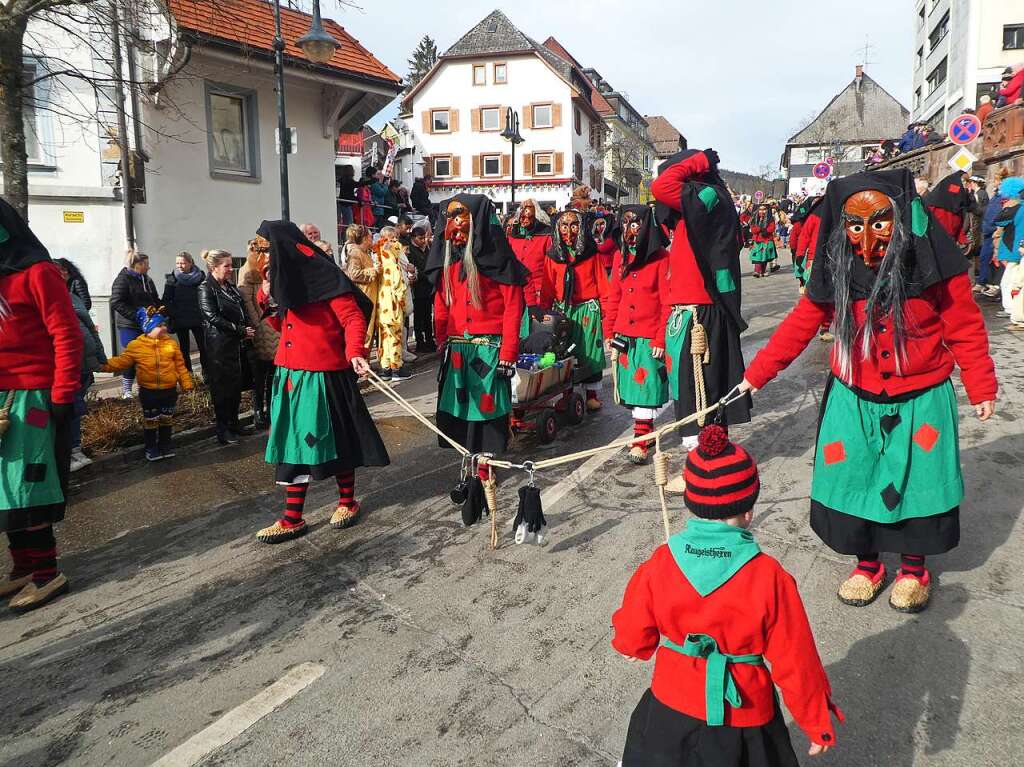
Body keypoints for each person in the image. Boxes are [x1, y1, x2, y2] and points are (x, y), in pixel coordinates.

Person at [741, 169, 997, 613]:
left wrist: (980, 384)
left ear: (899, 219)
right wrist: (755, 376)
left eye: (878, 223)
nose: (865, 238)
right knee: (854, 476)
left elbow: (964, 323)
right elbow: (801, 324)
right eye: (854, 225)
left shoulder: (931, 259)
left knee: (916, 480)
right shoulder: (837, 266)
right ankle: (868, 564)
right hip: (853, 395)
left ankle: (914, 568)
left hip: (921, 395)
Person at [613, 424, 842, 766]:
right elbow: (796, 660)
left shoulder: (662, 560)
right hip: (745, 714)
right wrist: (815, 721)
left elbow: (633, 625)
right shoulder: (770, 576)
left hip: (670, 707)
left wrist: (633, 644)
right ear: (749, 511)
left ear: (691, 505)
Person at [253, 221, 389, 543]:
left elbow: (353, 317)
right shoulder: (285, 280)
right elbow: (280, 323)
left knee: (337, 442)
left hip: (324, 375)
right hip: (291, 376)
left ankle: (347, 502)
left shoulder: (325, 275)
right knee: (292, 445)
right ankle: (292, 519)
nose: (259, 256)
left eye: (262, 249)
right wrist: (267, 295)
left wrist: (356, 351)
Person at [0, 198, 83, 612]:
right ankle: (21, 569)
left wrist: (62, 395)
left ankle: (47, 574)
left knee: (28, 486)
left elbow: (66, 335)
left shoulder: (39, 273)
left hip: (31, 395)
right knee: (3, 491)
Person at [650, 149, 752, 482]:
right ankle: (707, 463)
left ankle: (706, 468)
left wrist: (699, 161)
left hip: (702, 311)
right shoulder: (699, 203)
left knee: (702, 393)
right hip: (691, 310)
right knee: (692, 392)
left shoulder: (707, 195)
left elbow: (662, 187)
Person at [427, 195, 527, 521]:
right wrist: (441, 340)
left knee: (484, 418)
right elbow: (442, 304)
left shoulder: (499, 261)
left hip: (488, 350)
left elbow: (514, 308)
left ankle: (483, 473)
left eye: (462, 220)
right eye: (451, 221)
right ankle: (469, 470)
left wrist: (509, 353)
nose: (456, 230)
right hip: (457, 350)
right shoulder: (449, 264)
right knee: (462, 417)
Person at [602, 205, 670, 464]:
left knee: (645, 389)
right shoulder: (621, 256)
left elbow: (667, 302)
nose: (631, 230)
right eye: (627, 224)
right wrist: (609, 330)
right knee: (630, 391)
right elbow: (614, 296)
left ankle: (641, 439)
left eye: (636, 224)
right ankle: (645, 431)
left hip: (648, 336)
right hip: (624, 333)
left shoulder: (662, 258)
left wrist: (660, 338)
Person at [102, 307, 193, 461]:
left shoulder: (171, 344)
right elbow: (122, 361)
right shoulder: (136, 346)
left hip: (169, 391)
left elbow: (180, 365)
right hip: (149, 392)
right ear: (148, 328)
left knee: (166, 420)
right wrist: (102, 365)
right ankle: (151, 448)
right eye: (159, 326)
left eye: (164, 325)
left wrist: (186, 383)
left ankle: (165, 445)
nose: (164, 328)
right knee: (150, 421)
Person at [542, 209, 610, 411]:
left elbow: (602, 283)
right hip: (563, 309)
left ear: (580, 228)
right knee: (563, 351)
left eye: (574, 225)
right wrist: (544, 311)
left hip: (588, 308)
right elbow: (547, 285)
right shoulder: (553, 256)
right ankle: (567, 394)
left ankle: (591, 394)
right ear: (558, 228)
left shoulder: (591, 253)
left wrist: (606, 314)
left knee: (589, 351)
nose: (569, 230)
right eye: (564, 225)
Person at [198, 249, 254, 445]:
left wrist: (247, 326)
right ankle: (223, 429)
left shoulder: (228, 287)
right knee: (222, 390)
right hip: (219, 347)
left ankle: (234, 423)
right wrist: (239, 329)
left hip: (236, 344)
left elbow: (241, 307)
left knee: (235, 387)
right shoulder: (206, 288)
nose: (231, 269)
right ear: (214, 267)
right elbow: (211, 316)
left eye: (231, 265)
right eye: (227, 265)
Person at [238, 240, 280, 430]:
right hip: (262, 325)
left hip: (275, 324)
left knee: (272, 372)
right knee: (259, 375)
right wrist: (258, 324)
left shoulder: (270, 267)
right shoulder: (248, 272)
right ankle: (258, 411)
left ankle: (271, 409)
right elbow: (247, 301)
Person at [110, 250, 159, 399]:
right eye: (146, 264)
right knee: (132, 356)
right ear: (137, 265)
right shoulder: (122, 280)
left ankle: (147, 387)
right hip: (130, 325)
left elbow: (154, 299)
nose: (149, 267)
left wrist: (159, 312)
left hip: (148, 325)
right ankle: (127, 390)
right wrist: (137, 315)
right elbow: (116, 302)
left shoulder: (147, 280)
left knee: (149, 356)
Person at [67, 285, 105, 472]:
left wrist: (100, 355)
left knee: (75, 409)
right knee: (66, 409)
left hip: (82, 363)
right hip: (63, 367)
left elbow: (90, 328)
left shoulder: (72, 297)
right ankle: (66, 452)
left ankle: (75, 448)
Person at [162, 251, 207, 378]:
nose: (180, 266)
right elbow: (166, 299)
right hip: (180, 319)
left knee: (203, 347)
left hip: (198, 318)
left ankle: (206, 373)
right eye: (177, 263)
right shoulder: (172, 279)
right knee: (183, 349)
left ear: (190, 263)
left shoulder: (201, 277)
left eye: (182, 263)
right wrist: (173, 313)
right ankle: (188, 375)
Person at [374, 226, 410, 381]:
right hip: (392, 301)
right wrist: (402, 301)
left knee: (384, 336)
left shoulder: (377, 254)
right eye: (394, 237)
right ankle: (396, 368)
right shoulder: (393, 253)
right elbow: (398, 281)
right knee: (395, 333)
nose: (396, 240)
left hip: (381, 300)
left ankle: (386, 368)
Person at [506, 199, 553, 314]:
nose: (525, 221)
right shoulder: (512, 237)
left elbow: (550, 268)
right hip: (516, 291)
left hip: (538, 293)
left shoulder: (546, 237)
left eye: (529, 217)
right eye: (522, 218)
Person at [343, 224, 380, 349]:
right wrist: (373, 270)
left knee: (369, 331)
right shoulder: (355, 253)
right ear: (364, 239)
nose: (372, 240)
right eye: (370, 237)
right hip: (364, 296)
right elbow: (353, 274)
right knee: (365, 332)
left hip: (371, 296)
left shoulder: (365, 252)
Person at [993, 177, 1024, 323]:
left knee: (1008, 282)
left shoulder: (1015, 208)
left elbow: (998, 220)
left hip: (1014, 249)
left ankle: (1011, 309)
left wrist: (1007, 207)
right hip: (1019, 249)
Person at [405, 223, 435, 352]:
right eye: (420, 238)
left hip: (428, 288)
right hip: (417, 288)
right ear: (413, 238)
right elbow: (414, 268)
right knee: (418, 318)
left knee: (427, 316)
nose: (423, 241)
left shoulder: (428, 249)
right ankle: (420, 342)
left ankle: (429, 340)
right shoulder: (410, 251)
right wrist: (425, 275)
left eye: (424, 238)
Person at [925, 171, 972, 243]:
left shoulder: (958, 200)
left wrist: (962, 238)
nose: (966, 185)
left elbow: (960, 221)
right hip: (938, 238)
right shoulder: (940, 200)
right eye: (964, 181)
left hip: (950, 238)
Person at [749, 203, 779, 277]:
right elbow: (753, 229)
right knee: (758, 256)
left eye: (764, 209)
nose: (762, 211)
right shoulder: (754, 219)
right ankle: (756, 271)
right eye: (760, 209)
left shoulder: (770, 219)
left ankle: (762, 271)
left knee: (765, 257)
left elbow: (771, 228)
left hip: (767, 240)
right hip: (757, 241)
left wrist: (765, 231)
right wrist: (760, 229)